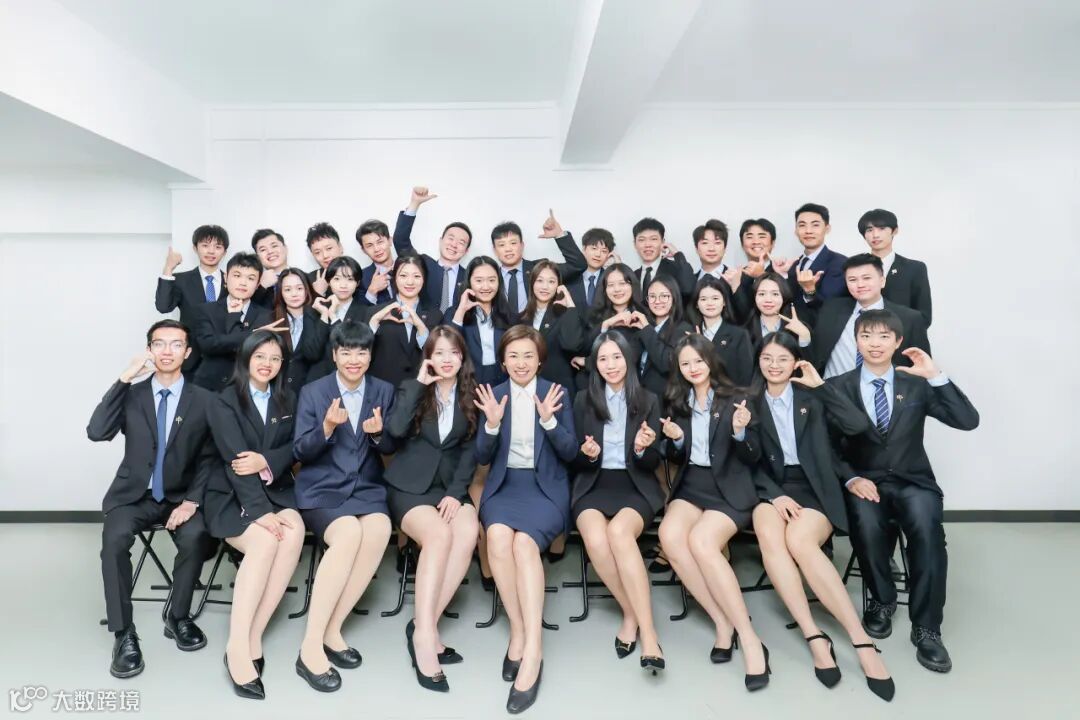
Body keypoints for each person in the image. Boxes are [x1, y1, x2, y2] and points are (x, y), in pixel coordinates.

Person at [827, 310, 979, 674]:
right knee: (865, 524)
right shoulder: (837, 387)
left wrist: (936, 375)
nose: (874, 344)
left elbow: (967, 421)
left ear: (897, 342)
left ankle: (927, 627)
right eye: (866, 336)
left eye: (883, 337)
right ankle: (882, 600)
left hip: (914, 481)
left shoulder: (916, 383)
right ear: (856, 342)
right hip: (866, 481)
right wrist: (850, 478)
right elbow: (825, 446)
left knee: (927, 532)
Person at [750, 332, 894, 701]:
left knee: (799, 541)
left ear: (795, 362)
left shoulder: (812, 396)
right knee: (770, 535)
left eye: (783, 358)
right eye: (767, 357)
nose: (774, 365)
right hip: (772, 489)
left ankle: (861, 642)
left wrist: (823, 387)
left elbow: (858, 428)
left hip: (814, 487)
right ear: (758, 360)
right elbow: (746, 462)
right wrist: (775, 495)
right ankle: (813, 635)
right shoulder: (747, 402)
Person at [87, 320, 217, 679]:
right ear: (149, 351)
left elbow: (210, 458)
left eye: (176, 344)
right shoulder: (132, 394)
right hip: (133, 497)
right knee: (114, 540)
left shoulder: (205, 400)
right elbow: (97, 431)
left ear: (187, 353)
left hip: (180, 497)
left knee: (195, 536)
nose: (167, 351)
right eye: (159, 344)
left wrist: (192, 501)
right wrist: (125, 377)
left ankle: (178, 617)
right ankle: (123, 633)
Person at [657, 334, 770, 691]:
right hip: (692, 485)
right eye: (685, 363)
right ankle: (722, 621)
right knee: (669, 537)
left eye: (698, 361)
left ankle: (749, 638)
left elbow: (754, 455)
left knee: (703, 543)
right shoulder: (677, 402)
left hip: (729, 489)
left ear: (710, 361)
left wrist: (740, 432)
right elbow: (675, 455)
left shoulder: (738, 398)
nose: (693, 368)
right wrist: (676, 439)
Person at [473, 326, 577, 714]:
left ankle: (533, 649)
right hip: (505, 486)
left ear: (540, 360)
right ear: (503, 361)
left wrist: (549, 421)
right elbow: (482, 457)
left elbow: (571, 453)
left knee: (524, 544)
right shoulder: (494, 395)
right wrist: (492, 424)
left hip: (544, 488)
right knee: (498, 539)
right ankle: (518, 629)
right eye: (513, 356)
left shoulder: (556, 393)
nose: (521, 363)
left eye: (528, 356)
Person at [291, 321, 397, 692]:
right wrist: (325, 428)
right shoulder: (314, 391)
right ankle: (310, 646)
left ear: (370, 355)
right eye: (347, 352)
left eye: (362, 352)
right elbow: (300, 450)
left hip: (366, 488)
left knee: (380, 528)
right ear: (334, 355)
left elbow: (390, 447)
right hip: (322, 489)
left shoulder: (383, 390)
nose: (354, 359)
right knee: (349, 533)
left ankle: (333, 629)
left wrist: (378, 434)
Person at [204, 331, 305, 699]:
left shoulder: (287, 398)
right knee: (265, 541)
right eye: (260, 356)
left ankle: (254, 634)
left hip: (274, 487)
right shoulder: (224, 401)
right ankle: (236, 646)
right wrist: (259, 511)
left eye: (275, 358)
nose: (267, 364)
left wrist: (267, 460)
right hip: (232, 495)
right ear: (246, 358)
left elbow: (293, 447)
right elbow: (236, 462)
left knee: (294, 530)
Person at [384, 326, 481, 691]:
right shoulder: (412, 388)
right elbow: (393, 433)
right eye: (438, 352)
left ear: (462, 356)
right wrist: (418, 385)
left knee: (467, 531)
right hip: (409, 486)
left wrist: (456, 494)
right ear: (428, 357)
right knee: (439, 535)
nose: (446, 359)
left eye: (453, 352)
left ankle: (423, 624)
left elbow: (471, 451)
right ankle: (426, 638)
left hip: (448, 487)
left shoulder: (473, 393)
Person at [572, 332, 665, 673]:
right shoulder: (583, 400)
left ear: (628, 359)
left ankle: (648, 632)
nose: (611, 365)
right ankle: (630, 612)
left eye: (616, 357)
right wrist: (587, 454)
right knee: (596, 539)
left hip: (635, 485)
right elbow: (574, 460)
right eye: (603, 359)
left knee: (619, 534)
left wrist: (642, 448)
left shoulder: (649, 400)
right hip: (593, 484)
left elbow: (652, 462)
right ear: (595, 364)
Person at [803, 254, 929, 378]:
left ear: (882, 281)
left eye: (867, 278)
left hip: (884, 389)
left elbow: (923, 366)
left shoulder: (909, 318)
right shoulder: (832, 308)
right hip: (831, 388)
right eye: (852, 280)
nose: (860, 285)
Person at [193, 253, 285, 392]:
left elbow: (250, 352)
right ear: (225, 278)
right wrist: (253, 333)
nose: (243, 282)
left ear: (258, 284)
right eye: (237, 276)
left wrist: (229, 332)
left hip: (247, 389)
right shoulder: (206, 310)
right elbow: (208, 345)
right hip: (209, 387)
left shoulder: (266, 316)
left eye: (251, 278)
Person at [155, 224, 229, 371]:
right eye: (205, 245)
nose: (211, 251)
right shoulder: (181, 280)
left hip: (225, 359)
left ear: (225, 252)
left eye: (218, 247)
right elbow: (163, 307)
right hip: (191, 360)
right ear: (195, 248)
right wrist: (168, 268)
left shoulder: (233, 281)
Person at [490, 212, 588, 319]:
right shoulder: (490, 277)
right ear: (494, 250)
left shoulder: (540, 268)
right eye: (502, 245)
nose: (508, 249)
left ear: (522, 246)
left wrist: (559, 235)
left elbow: (578, 265)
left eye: (513, 243)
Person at [391, 186, 472, 313]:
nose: (454, 244)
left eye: (461, 242)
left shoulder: (470, 276)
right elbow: (400, 240)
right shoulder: (423, 264)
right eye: (451, 238)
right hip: (421, 323)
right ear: (440, 241)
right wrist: (414, 204)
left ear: (466, 250)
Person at [364, 255, 441, 389]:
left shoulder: (435, 315)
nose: (410, 282)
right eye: (403, 275)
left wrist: (421, 327)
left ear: (424, 279)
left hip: (420, 389)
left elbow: (436, 355)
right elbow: (361, 350)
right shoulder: (375, 312)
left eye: (416, 276)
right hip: (382, 389)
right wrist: (374, 322)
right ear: (395, 278)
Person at [445, 255, 514, 387]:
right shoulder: (454, 313)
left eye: (492, 280)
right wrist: (461, 311)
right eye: (479, 280)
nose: (486, 286)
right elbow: (447, 347)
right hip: (466, 385)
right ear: (469, 282)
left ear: (499, 282)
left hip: (503, 384)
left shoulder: (508, 315)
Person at [858, 208, 932, 326]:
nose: (875, 235)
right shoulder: (855, 268)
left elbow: (923, 316)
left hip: (902, 335)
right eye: (869, 230)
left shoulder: (915, 268)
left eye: (882, 228)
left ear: (894, 231)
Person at [520, 260, 585, 391]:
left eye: (551, 281)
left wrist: (570, 305)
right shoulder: (521, 318)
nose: (545, 287)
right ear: (532, 283)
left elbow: (571, 344)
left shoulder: (566, 314)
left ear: (558, 286)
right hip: (527, 386)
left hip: (558, 386)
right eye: (540, 281)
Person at [580, 263, 650, 374]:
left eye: (622, 283)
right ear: (604, 289)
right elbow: (583, 348)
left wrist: (586, 362)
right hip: (594, 379)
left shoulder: (642, 317)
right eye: (611, 285)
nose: (617, 289)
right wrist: (606, 324)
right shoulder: (594, 315)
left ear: (633, 286)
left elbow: (632, 357)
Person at [686, 276, 754, 386]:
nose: (709, 303)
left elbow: (746, 378)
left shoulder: (739, 335)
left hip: (730, 394)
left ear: (724, 302)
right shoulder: (690, 335)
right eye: (703, 299)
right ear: (696, 304)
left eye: (715, 298)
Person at [307, 256, 367, 380]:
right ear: (329, 282)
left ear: (357, 283)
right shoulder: (315, 309)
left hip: (353, 379)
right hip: (319, 380)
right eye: (337, 279)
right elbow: (311, 353)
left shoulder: (366, 311)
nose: (343, 285)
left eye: (350, 279)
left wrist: (333, 317)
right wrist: (324, 316)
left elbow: (351, 346)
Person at [638, 275, 693, 398]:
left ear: (674, 297)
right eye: (652, 296)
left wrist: (646, 329)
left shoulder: (683, 329)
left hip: (665, 400)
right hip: (639, 398)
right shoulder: (644, 325)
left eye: (664, 296)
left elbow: (666, 363)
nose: (657, 301)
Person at [787, 203, 848, 313]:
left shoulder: (840, 263)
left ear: (827, 229)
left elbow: (832, 307)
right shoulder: (793, 264)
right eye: (802, 225)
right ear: (796, 231)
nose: (808, 231)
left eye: (815, 225)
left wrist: (810, 291)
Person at [272, 268, 328, 388]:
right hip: (278, 389)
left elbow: (313, 353)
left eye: (299, 288)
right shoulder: (271, 319)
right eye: (287, 289)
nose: (294, 294)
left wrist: (310, 311)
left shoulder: (319, 317)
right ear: (280, 293)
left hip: (311, 388)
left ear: (307, 289)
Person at [730, 218, 791, 324]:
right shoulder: (737, 276)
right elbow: (739, 315)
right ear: (742, 244)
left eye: (762, 236)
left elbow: (789, 305)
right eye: (749, 237)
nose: (756, 242)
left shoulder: (784, 270)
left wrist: (761, 275)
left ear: (772, 243)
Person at [743, 272, 813, 353]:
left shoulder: (799, 328)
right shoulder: (744, 330)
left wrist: (804, 337)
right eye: (762, 294)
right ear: (754, 297)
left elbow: (807, 360)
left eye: (775, 294)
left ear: (784, 297)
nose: (768, 300)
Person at [630, 217, 696, 302]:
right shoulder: (633, 276)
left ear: (663, 242)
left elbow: (689, 289)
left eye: (653, 239)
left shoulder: (676, 269)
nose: (647, 244)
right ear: (635, 244)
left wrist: (677, 255)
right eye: (641, 240)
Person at [564, 227, 614, 310]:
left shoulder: (611, 280)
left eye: (604, 251)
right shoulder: (569, 277)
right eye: (594, 248)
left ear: (608, 255)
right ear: (584, 249)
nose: (598, 254)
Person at [356, 218, 399, 306]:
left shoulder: (409, 268)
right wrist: (372, 291)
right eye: (369, 245)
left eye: (380, 242)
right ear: (363, 250)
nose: (376, 249)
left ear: (390, 241)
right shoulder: (360, 278)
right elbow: (359, 312)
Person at [251, 228, 290, 308]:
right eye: (263, 250)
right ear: (258, 257)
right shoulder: (252, 285)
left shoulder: (305, 278)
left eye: (274, 246)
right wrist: (262, 287)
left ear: (285, 248)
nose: (270, 252)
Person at [305, 222, 346, 298]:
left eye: (329, 248)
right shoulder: (308, 281)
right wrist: (318, 293)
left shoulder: (356, 273)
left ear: (340, 247)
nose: (325, 255)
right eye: (317, 252)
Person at [692, 219, 737, 284]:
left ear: (725, 248)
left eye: (717, 243)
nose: (711, 248)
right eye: (705, 243)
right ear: (696, 249)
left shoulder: (736, 279)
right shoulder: (690, 282)